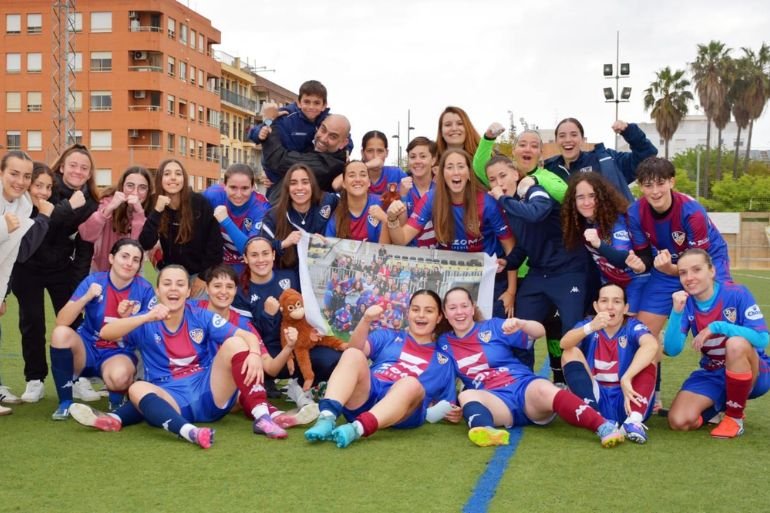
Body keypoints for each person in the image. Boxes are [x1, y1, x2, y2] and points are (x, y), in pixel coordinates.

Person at [69, 265, 298, 446]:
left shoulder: (200, 315)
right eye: (167, 284)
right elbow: (107, 333)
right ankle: (189, 432)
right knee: (137, 389)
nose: (173, 289)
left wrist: (255, 354)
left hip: (209, 393)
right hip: (172, 399)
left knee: (235, 343)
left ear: (188, 291)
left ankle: (262, 417)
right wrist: (144, 317)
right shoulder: (145, 319)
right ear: (157, 291)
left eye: (180, 284)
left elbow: (245, 336)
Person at [438, 287, 625, 448]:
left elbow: (540, 332)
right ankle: (487, 431)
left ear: (473, 308)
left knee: (544, 388)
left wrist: (523, 324)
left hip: (523, 387)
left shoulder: (493, 326)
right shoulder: (443, 343)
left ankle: (603, 426)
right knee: (466, 395)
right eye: (452, 308)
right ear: (445, 314)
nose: (459, 312)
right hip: (495, 401)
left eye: (464, 306)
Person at [304, 290, 456, 448]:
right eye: (416, 309)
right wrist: (366, 320)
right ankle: (326, 417)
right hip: (369, 394)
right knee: (353, 354)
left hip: (403, 411)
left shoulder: (444, 361)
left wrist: (453, 413)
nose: (421, 315)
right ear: (408, 313)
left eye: (429, 311)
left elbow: (448, 404)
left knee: (411, 383)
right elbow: (354, 349)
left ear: (439, 317)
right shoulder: (388, 336)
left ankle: (357, 429)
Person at [11, 144, 99, 403]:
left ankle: (79, 377)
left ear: (89, 173)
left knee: (73, 322)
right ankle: (35, 379)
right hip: (27, 267)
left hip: (62, 268)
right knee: (32, 321)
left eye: (84, 167)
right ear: (62, 166)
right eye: (73, 165)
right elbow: (41, 227)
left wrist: (78, 281)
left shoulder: (89, 202)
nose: (78, 171)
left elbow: (85, 245)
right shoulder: (44, 186)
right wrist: (68, 206)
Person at [386, 149, 515, 318]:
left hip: (489, 278)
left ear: (469, 172)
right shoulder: (431, 198)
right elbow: (402, 239)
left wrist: (511, 291)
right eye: (450, 167)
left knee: (488, 333)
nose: (455, 172)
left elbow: (509, 246)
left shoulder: (487, 202)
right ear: (442, 173)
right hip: (451, 277)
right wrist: (392, 220)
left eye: (461, 166)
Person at [487, 155, 587, 369]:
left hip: (569, 271)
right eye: (492, 180)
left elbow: (537, 214)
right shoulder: (510, 205)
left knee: (573, 333)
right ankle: (522, 382)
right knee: (519, 330)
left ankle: (582, 390)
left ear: (516, 174)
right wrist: (509, 261)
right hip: (539, 273)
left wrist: (504, 200)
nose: (499, 183)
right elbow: (526, 242)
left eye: (503, 176)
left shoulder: (533, 190)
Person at [193, 264, 320, 428]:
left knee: (243, 379)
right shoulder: (192, 310)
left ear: (235, 291)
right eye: (217, 286)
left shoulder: (243, 324)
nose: (223, 292)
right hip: (193, 383)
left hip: (225, 388)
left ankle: (276, 416)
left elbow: (271, 368)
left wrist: (289, 347)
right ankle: (274, 414)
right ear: (207, 289)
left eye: (229, 287)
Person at [664, 249, 769, 438]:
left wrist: (719, 326)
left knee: (736, 344)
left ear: (711, 271)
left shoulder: (736, 293)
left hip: (755, 372)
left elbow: (762, 338)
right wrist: (676, 312)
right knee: (679, 421)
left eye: (696, 270)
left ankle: (734, 418)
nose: (689, 277)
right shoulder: (686, 302)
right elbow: (672, 350)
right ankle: (718, 407)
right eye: (683, 273)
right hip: (713, 371)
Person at [49, 239, 156, 420]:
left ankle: (116, 401)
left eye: (136, 260)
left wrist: (128, 318)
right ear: (111, 258)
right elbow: (62, 320)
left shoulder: (144, 290)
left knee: (120, 377)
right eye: (124, 256)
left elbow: (147, 335)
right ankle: (65, 402)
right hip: (87, 348)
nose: (129, 263)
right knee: (60, 334)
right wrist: (86, 297)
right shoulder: (94, 281)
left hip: (118, 352)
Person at [628, 157, 731, 341]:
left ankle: (749, 366)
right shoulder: (635, 213)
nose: (655, 191)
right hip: (668, 266)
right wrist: (640, 265)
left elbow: (699, 263)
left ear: (671, 181)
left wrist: (669, 269)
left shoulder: (692, 212)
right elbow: (645, 255)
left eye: (660, 183)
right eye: (648, 185)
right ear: (641, 187)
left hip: (709, 260)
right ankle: (652, 364)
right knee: (641, 334)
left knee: (725, 328)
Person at [232, 237, 341, 399]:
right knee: (252, 364)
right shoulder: (241, 292)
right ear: (245, 259)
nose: (261, 260)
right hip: (268, 351)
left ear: (274, 255)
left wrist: (318, 243)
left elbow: (309, 305)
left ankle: (305, 385)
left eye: (265, 253)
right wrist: (267, 315)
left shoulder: (290, 277)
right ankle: (267, 381)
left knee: (332, 359)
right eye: (254, 255)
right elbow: (250, 333)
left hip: (300, 345)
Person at [559, 283, 659, 444]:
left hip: (628, 399)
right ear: (596, 306)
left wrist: (627, 378)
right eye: (604, 301)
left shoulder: (632, 326)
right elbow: (564, 343)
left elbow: (652, 345)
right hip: (597, 398)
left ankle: (633, 422)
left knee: (650, 354)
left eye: (617, 301)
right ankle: (599, 421)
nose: (610, 307)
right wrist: (591, 327)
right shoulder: (588, 325)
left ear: (625, 308)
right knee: (569, 351)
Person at [561, 172, 652, 314]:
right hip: (610, 283)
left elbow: (623, 260)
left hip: (635, 279)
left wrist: (598, 244)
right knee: (609, 327)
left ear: (602, 197)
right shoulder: (579, 224)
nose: (586, 202)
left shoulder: (617, 220)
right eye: (580, 197)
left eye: (592, 196)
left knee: (627, 328)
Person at [139, 159, 223, 298]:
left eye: (178, 174)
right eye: (167, 174)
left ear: (184, 179)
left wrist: (203, 277)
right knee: (172, 317)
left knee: (196, 316)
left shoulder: (199, 203)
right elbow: (146, 242)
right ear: (160, 179)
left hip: (198, 274)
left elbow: (215, 245)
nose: (173, 177)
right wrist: (158, 210)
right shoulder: (153, 204)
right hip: (169, 274)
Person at [247, 80, 334, 197]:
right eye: (307, 102)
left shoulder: (329, 121)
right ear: (298, 102)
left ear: (324, 105)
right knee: (275, 212)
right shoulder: (286, 115)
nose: (311, 107)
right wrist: (261, 131)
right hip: (280, 180)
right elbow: (262, 127)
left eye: (317, 103)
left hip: (312, 181)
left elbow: (345, 137)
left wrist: (347, 150)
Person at [544, 118, 658, 202]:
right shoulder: (549, 169)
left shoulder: (605, 160)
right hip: (565, 233)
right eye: (562, 136)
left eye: (574, 135)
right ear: (556, 141)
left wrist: (629, 131)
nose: (568, 139)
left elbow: (647, 155)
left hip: (605, 232)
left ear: (583, 140)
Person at [0, 151, 35, 414]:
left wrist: (0, 295)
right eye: (14, 173)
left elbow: (9, 257)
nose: (20, 181)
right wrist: (2, 226)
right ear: (1, 173)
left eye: (26, 176)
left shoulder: (24, 205)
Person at [259, 163, 338, 271]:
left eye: (305, 182)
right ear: (287, 187)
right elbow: (260, 248)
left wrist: (328, 243)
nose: (300, 188)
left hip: (318, 275)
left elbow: (351, 201)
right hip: (287, 277)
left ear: (312, 185)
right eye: (293, 183)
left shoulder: (327, 201)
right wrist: (283, 243)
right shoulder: (274, 215)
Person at [79, 166, 153, 272]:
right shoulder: (107, 203)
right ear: (122, 187)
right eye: (130, 186)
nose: (135, 192)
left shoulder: (149, 209)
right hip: (102, 271)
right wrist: (108, 209)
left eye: (142, 187)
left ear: (148, 191)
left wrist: (139, 214)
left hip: (132, 273)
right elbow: (86, 235)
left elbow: (138, 246)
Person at [257, 114, 351, 194]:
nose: (323, 138)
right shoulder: (312, 150)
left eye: (333, 137)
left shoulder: (330, 165)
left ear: (343, 143)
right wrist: (271, 174)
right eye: (323, 130)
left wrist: (269, 120)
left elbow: (277, 159)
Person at [204, 163, 270, 274]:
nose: (238, 194)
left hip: (251, 266)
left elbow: (251, 250)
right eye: (233, 187)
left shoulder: (261, 207)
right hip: (219, 263)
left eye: (244, 188)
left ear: (253, 187)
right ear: (224, 185)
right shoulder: (212, 195)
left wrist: (226, 221)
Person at [325, 160, 388, 243]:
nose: (358, 179)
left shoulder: (383, 203)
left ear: (369, 182)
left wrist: (385, 221)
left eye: (363, 175)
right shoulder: (337, 218)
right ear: (343, 183)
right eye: (352, 175)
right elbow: (329, 248)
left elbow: (386, 251)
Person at [359, 131, 407, 195]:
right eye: (370, 151)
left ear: (386, 153)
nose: (375, 156)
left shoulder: (397, 174)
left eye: (380, 151)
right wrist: (365, 166)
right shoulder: (356, 176)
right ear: (362, 153)